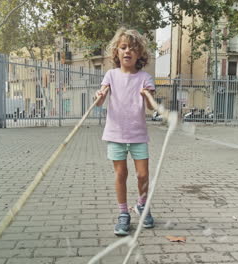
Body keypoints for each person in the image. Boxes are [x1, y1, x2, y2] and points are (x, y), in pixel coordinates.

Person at [95, 27, 156, 236]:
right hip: (115, 134)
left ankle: (141, 204)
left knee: (143, 175)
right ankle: (123, 214)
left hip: (138, 135)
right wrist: (100, 95)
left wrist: (148, 96)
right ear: (117, 53)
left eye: (132, 48)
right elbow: (100, 101)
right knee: (121, 174)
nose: (127, 51)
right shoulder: (110, 75)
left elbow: (151, 107)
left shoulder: (145, 78)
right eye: (123, 47)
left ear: (139, 54)